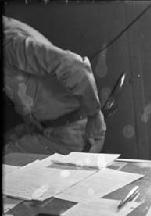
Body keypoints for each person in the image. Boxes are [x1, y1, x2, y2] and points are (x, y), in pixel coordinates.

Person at [3, 16, 106, 155]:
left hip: (71, 134)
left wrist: (95, 115)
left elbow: (76, 67)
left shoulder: (11, 44)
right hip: (46, 126)